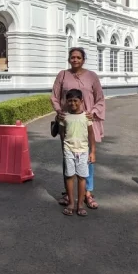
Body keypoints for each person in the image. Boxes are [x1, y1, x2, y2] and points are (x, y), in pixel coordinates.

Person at [51, 47, 106, 209]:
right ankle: (69, 194)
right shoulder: (63, 75)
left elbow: (100, 98)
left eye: (78, 57)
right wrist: (59, 111)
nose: (75, 60)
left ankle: (87, 192)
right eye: (72, 57)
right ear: (69, 59)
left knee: (87, 157)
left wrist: (93, 112)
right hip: (67, 122)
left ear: (83, 59)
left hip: (87, 121)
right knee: (67, 154)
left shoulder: (92, 77)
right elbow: (54, 97)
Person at [59, 89, 95, 216]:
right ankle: (71, 203)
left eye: (75, 101)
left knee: (81, 177)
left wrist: (93, 152)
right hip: (69, 150)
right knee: (69, 176)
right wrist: (65, 147)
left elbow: (91, 134)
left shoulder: (86, 116)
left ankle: (80, 204)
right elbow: (62, 133)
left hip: (83, 151)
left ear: (81, 101)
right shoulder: (64, 116)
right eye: (69, 101)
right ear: (66, 102)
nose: (72, 103)